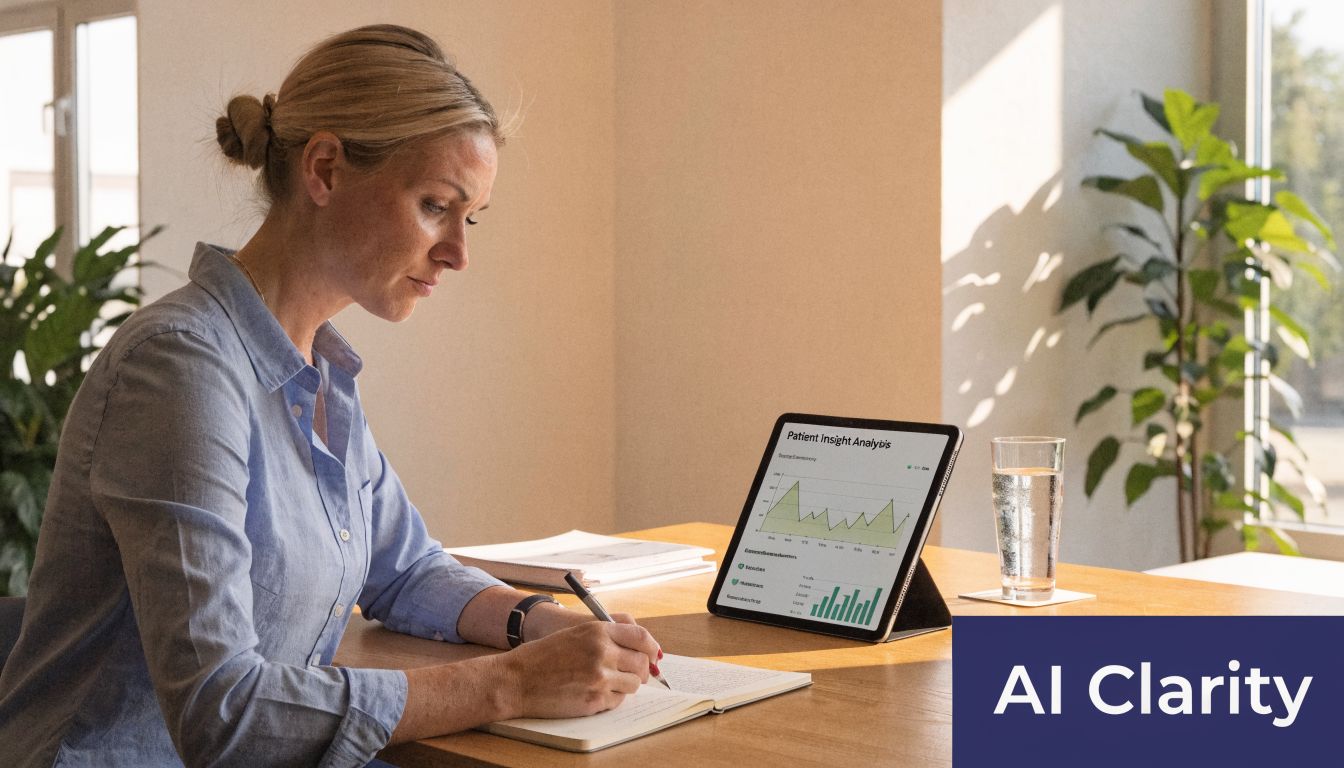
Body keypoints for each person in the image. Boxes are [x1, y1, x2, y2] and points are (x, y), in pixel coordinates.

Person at [0, 24, 662, 767]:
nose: (458, 253)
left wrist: (540, 626)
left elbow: (405, 568)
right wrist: (509, 683)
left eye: (469, 218)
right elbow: (223, 710)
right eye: (436, 206)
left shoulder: (319, 373)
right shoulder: (180, 370)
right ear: (324, 169)